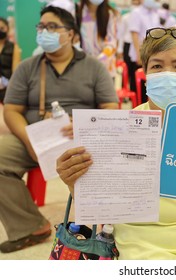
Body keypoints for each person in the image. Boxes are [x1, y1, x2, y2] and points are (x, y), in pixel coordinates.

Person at [56, 27, 176, 260]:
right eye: (157, 66)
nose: (168, 73)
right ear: (145, 74)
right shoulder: (116, 130)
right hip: (142, 243)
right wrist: (73, 182)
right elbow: (99, 202)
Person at [0, 6, 118, 253]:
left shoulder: (94, 67)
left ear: (72, 34)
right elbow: (11, 109)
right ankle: (30, 226)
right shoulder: (27, 67)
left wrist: (87, 123)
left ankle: (104, 229)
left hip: (84, 140)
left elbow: (111, 107)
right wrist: (29, 138)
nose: (44, 32)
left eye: (52, 27)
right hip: (33, 139)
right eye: (41, 27)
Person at [76, 0, 119, 78]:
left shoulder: (109, 14)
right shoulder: (76, 12)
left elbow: (112, 42)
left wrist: (100, 59)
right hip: (82, 67)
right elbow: (74, 41)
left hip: (105, 70)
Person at [128, 0, 161, 101]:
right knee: (140, 89)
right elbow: (134, 34)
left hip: (153, 54)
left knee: (151, 88)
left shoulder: (155, 14)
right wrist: (139, 54)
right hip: (139, 54)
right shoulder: (136, 12)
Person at [0, 17, 20, 103]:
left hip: (8, 89)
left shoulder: (13, 47)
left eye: (2, 28)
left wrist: (9, 84)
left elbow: (15, 70)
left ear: (7, 29)